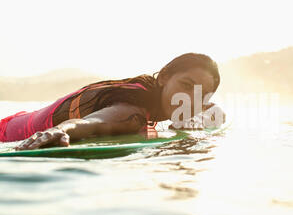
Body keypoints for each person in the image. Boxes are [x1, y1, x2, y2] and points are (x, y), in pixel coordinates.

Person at [0, 53, 224, 150]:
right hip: (9, 135)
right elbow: (93, 122)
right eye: (186, 85)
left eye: (202, 93)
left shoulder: (164, 96)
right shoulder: (132, 113)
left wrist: (206, 117)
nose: (191, 98)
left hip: (18, 118)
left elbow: (216, 111)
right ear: (164, 76)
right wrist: (58, 131)